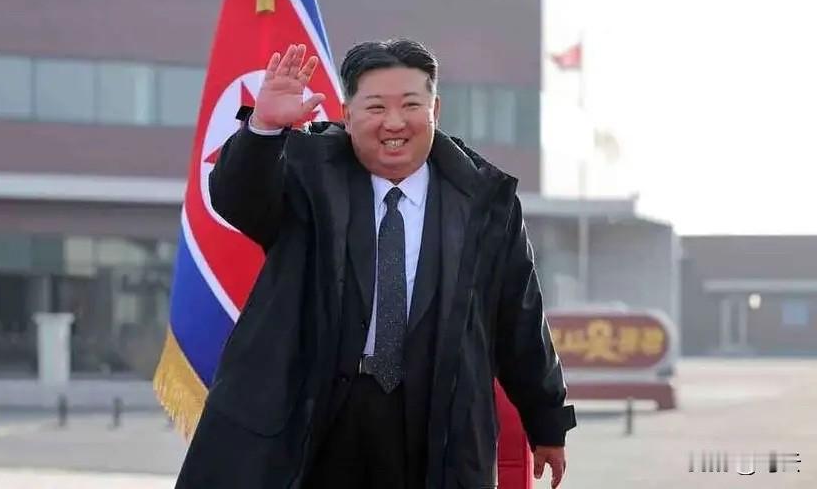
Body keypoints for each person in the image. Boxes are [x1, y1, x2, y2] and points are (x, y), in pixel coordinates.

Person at [176, 39, 576, 489]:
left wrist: (548, 420)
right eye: (376, 107)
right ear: (347, 115)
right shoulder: (306, 172)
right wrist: (264, 129)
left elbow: (519, 317)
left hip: (436, 422)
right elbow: (237, 199)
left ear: (435, 110)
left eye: (410, 105)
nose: (394, 122)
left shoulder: (484, 200)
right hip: (315, 414)